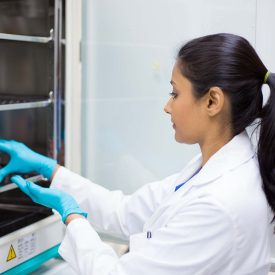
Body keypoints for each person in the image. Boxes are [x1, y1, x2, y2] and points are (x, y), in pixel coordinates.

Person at [0, 33, 274, 275]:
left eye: (175, 93)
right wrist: (51, 170)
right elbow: (124, 211)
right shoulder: (212, 169)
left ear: (212, 101)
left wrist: (72, 216)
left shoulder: (220, 203)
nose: (167, 107)